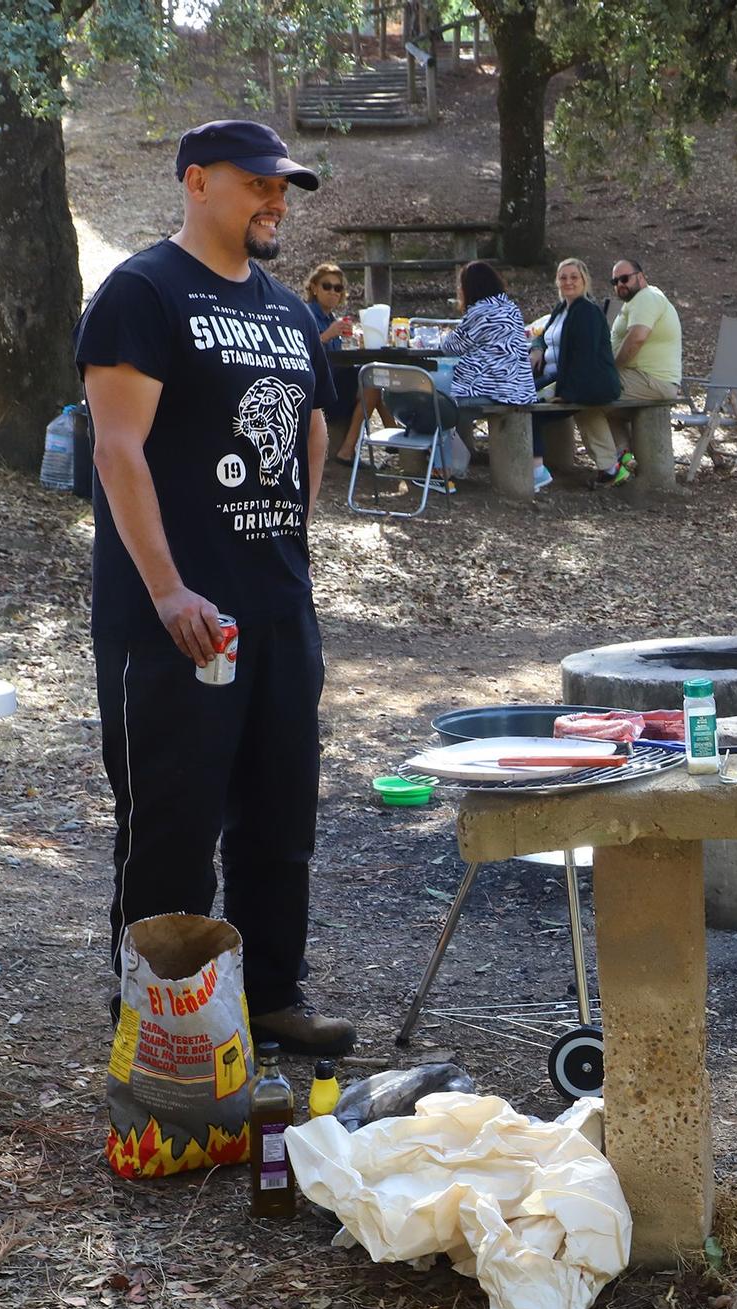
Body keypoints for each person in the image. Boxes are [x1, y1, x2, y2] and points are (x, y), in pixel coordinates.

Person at [73, 119, 354, 1056]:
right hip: (174, 620)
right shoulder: (143, 292)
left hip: (277, 612)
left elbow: (314, 426)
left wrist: (282, 546)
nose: (277, 201)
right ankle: (159, 1019)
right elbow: (117, 450)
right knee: (173, 827)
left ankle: (271, 993)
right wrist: (169, 592)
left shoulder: (284, 309)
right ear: (197, 182)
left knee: (280, 819)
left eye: (285, 188)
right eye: (258, 184)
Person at [386, 260, 540, 489]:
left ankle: (440, 470)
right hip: (518, 388)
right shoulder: (509, 308)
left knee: (428, 393)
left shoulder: (480, 311)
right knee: (440, 392)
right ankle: (443, 463)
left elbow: (452, 347)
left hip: (494, 389)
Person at [573, 258, 682, 486]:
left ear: (640, 277)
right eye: (615, 281)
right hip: (642, 379)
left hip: (650, 380)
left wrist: (609, 371)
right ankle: (623, 459)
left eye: (625, 278)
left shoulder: (646, 298)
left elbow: (637, 338)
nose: (620, 284)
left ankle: (610, 469)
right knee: (603, 407)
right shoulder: (638, 301)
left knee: (583, 395)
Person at [530, 258, 622, 486]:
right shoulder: (562, 308)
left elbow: (586, 358)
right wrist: (538, 348)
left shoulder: (586, 312)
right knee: (515, 397)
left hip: (575, 384)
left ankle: (537, 472)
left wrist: (568, 393)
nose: (568, 282)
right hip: (553, 378)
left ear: (584, 280)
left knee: (525, 409)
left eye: (574, 277)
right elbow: (543, 334)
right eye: (563, 277)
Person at [301, 263, 359, 448]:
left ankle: (349, 450)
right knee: (370, 383)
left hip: (333, 381)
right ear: (314, 288)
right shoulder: (305, 313)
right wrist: (327, 336)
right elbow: (300, 350)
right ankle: (348, 450)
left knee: (371, 379)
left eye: (338, 288)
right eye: (327, 286)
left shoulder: (332, 320)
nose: (333, 292)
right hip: (319, 389)